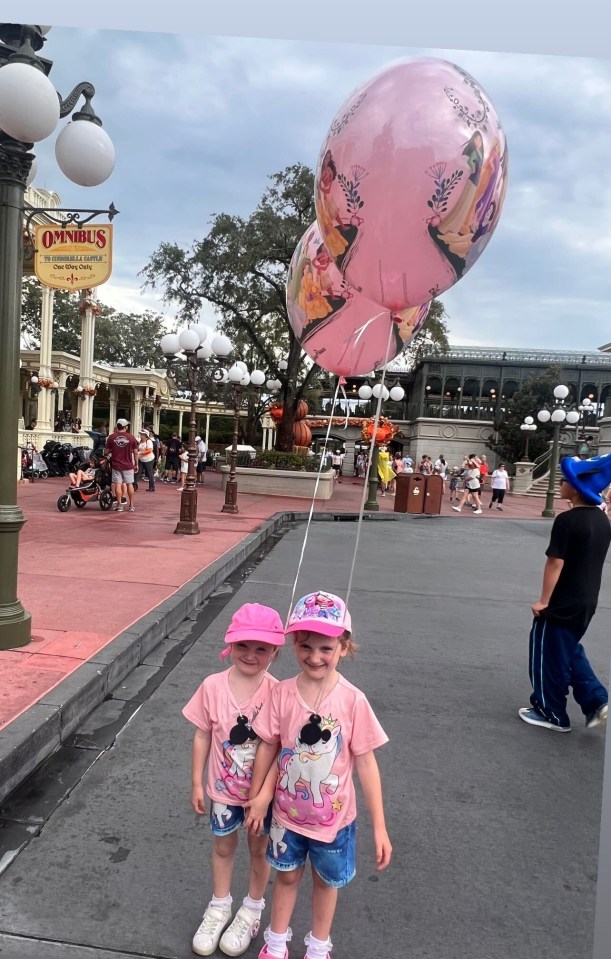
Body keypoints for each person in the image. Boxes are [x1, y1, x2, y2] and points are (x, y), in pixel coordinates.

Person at [245, 591, 392, 959]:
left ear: (343, 647)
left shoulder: (352, 700)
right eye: (306, 646)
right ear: (294, 643)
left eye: (326, 648)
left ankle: (318, 946)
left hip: (335, 822)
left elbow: (367, 763)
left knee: (327, 883)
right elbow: (269, 744)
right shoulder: (281, 692)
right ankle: (276, 942)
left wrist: (380, 827)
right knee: (287, 876)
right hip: (285, 815)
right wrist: (259, 795)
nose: (314, 656)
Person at [183, 603, 286, 957]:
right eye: (243, 645)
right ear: (231, 644)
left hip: (262, 799)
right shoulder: (212, 686)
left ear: (275, 650)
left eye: (262, 648)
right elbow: (201, 735)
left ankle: (252, 909)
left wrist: (263, 795)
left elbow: (280, 747)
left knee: (259, 849)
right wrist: (197, 782)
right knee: (223, 846)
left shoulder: (278, 692)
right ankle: (219, 906)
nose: (251, 655)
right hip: (223, 793)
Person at [518, 453, 611, 733]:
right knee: (567, 649)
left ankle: (551, 712)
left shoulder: (567, 520)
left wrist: (544, 601)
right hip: (586, 600)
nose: (560, 484)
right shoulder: (602, 521)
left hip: (563, 599)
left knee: (546, 653)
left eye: (564, 480)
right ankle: (595, 700)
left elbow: (555, 562)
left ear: (575, 486)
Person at [104, 418, 139, 513]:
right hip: (128, 465)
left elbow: (106, 451)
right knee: (129, 484)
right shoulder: (132, 438)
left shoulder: (111, 437)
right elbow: (136, 452)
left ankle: (119, 505)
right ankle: (131, 506)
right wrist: (136, 463)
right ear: (125, 427)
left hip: (116, 465)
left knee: (118, 484)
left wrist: (112, 450)